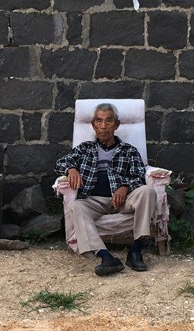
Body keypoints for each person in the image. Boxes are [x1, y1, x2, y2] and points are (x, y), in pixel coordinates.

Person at [55, 103, 156, 276]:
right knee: (76, 206)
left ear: (116, 125)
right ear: (93, 125)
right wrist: (71, 169)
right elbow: (60, 163)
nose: (103, 126)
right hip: (94, 201)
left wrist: (125, 187)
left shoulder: (129, 151)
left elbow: (139, 175)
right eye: (99, 121)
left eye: (108, 121)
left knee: (148, 192)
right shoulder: (84, 149)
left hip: (123, 200)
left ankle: (136, 250)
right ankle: (106, 257)